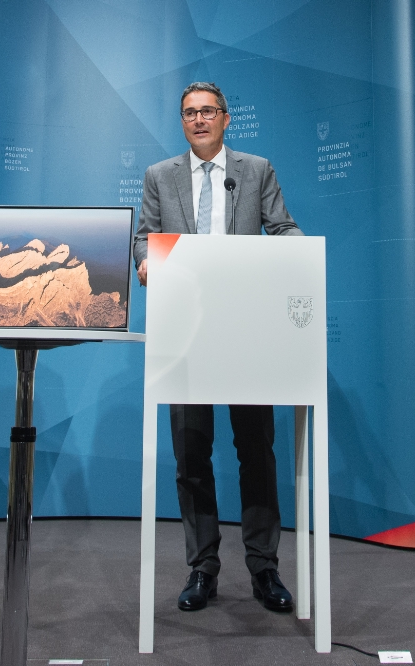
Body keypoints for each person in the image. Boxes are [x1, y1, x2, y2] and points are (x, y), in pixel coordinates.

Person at [134, 82, 303, 614]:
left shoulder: (255, 170)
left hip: (245, 328)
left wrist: (303, 257)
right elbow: (143, 236)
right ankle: (202, 566)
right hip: (183, 331)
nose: (199, 119)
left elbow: (283, 227)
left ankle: (264, 567)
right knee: (191, 454)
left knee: (256, 450)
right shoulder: (159, 175)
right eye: (190, 113)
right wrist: (144, 260)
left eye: (208, 111)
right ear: (182, 121)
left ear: (226, 118)